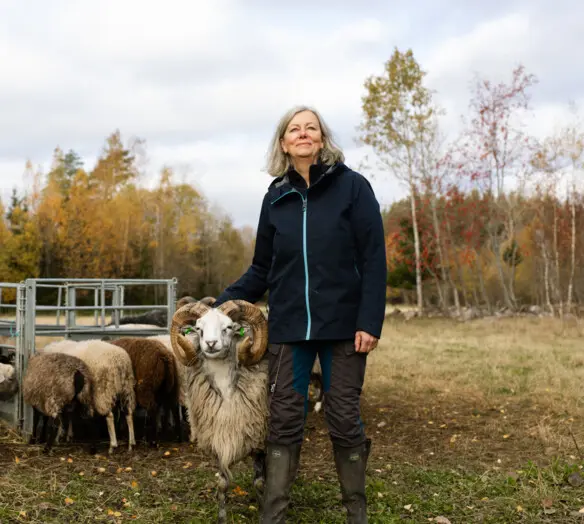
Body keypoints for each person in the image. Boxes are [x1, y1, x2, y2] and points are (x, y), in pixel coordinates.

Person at [214, 106, 387, 523]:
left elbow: (374, 258)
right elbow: (262, 269)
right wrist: (219, 304)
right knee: (285, 422)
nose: (304, 134)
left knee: (344, 419)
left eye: (312, 128)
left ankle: (356, 514)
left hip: (344, 330)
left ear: (323, 140)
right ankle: (273, 516)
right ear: (284, 143)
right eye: (295, 129)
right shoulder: (276, 197)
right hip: (290, 331)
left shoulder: (353, 188)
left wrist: (369, 321)